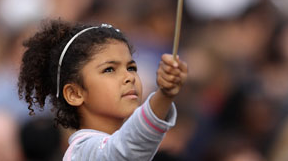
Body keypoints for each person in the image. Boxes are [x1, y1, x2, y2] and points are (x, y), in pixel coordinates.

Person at [17, 20, 188, 160]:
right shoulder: (83, 152)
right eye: (109, 69)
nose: (129, 77)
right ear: (75, 94)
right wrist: (164, 95)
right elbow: (125, 150)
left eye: (131, 67)